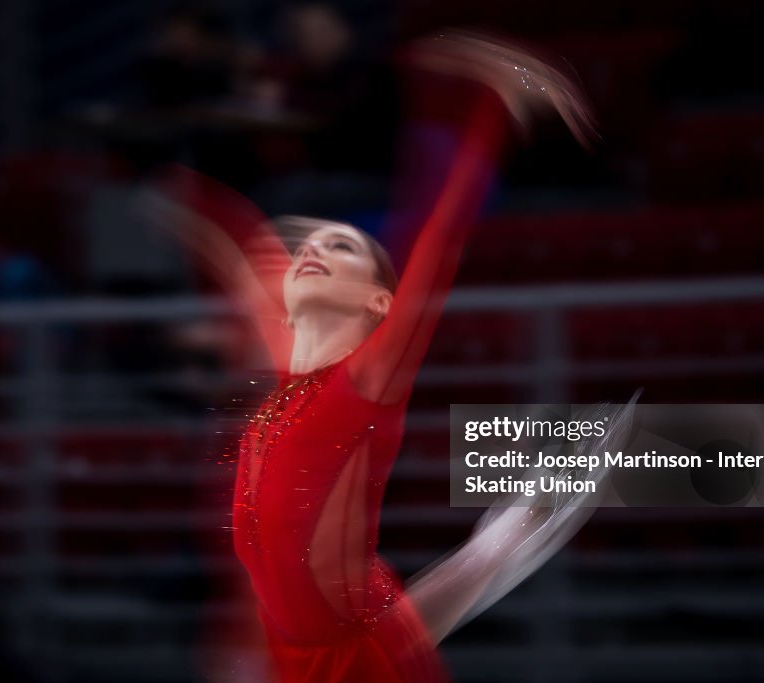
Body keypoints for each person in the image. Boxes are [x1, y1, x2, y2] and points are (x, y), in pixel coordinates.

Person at [145, 30, 626, 682]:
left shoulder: (365, 380)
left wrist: (490, 110)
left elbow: (436, 237)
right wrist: (182, 194)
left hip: (346, 660)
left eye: (342, 247)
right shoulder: (292, 372)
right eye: (310, 245)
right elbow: (249, 257)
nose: (314, 249)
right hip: (299, 649)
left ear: (378, 301)